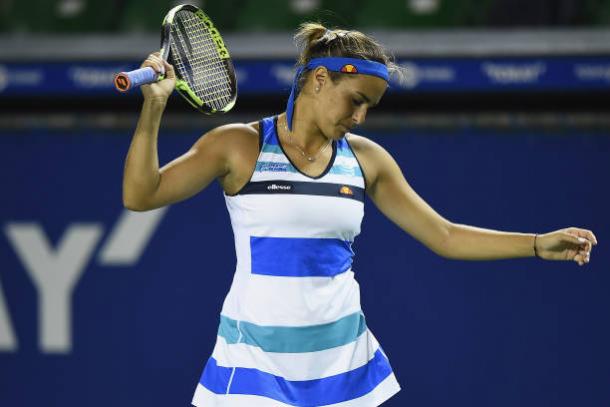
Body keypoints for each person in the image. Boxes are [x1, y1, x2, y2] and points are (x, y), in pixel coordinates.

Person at [122, 23, 598, 407]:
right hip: (251, 373)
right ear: (319, 79)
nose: (361, 117)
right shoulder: (237, 146)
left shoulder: (366, 160)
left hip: (345, 371)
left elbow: (445, 235)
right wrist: (154, 108)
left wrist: (537, 243)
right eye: (356, 100)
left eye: (370, 106)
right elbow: (141, 195)